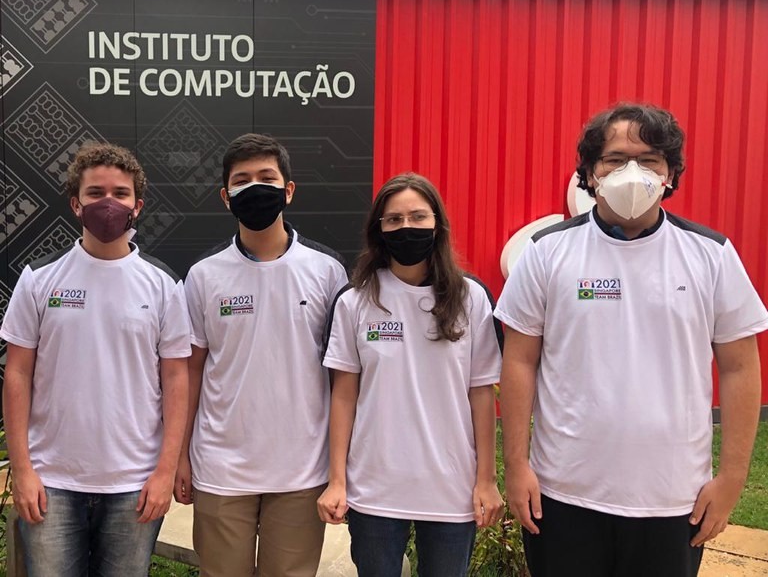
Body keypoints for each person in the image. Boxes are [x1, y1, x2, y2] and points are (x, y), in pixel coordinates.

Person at [496, 102, 768, 577]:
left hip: (671, 499)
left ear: (669, 174)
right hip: (563, 495)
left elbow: (741, 366)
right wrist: (516, 466)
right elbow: (519, 361)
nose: (632, 172)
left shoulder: (712, 255)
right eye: (615, 160)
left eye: (649, 160)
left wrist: (731, 479)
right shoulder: (546, 252)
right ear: (590, 172)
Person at [1, 142, 191, 576]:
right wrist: (23, 470)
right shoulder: (40, 279)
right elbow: (17, 373)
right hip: (52, 481)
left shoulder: (163, 285)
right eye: (95, 193)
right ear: (75, 203)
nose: (109, 203)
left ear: (137, 206)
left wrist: (165, 470)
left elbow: (177, 379)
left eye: (121, 194)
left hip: (134, 484)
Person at [177, 133, 348, 577]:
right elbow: (190, 371)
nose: (255, 187)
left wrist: (340, 468)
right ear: (225, 196)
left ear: (288, 190)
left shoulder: (327, 272)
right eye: (242, 180)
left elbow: (343, 380)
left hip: (301, 471)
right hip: (220, 469)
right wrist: (180, 456)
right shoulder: (202, 276)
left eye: (266, 178)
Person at [317, 172, 504, 577]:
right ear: (379, 230)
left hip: (451, 490)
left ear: (437, 224)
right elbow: (344, 396)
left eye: (418, 217)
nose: (407, 228)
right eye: (394, 220)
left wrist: (486, 480)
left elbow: (482, 393)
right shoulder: (355, 301)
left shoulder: (471, 299)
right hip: (375, 489)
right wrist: (337, 481)